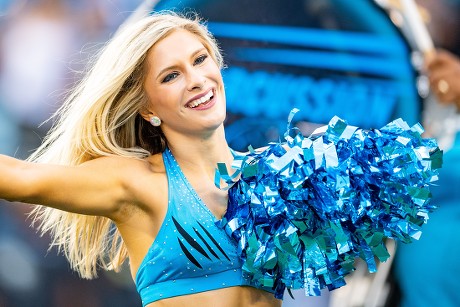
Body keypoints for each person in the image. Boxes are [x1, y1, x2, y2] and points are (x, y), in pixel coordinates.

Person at [0, 11, 281, 307]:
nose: (196, 80)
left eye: (200, 60)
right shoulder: (138, 182)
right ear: (148, 110)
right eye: (171, 76)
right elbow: (19, 178)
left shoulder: (275, 176)